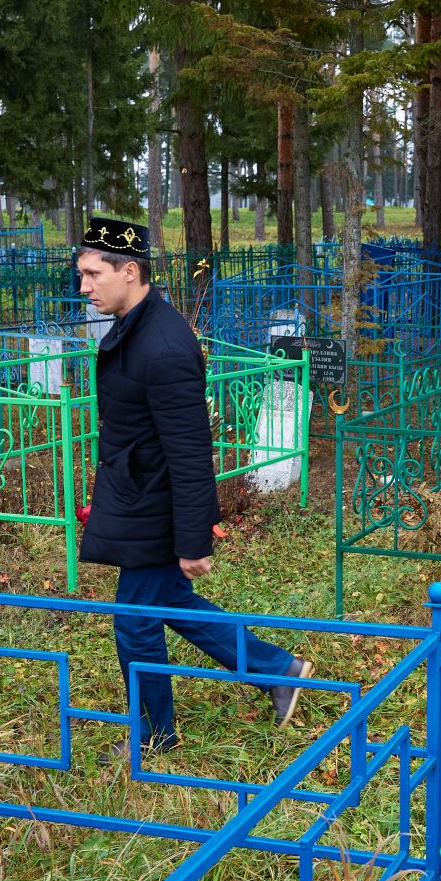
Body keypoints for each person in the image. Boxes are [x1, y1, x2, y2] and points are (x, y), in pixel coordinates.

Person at [75, 215, 314, 751]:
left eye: (92, 274)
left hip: (155, 504)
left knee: (135, 621)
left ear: (130, 271)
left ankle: (155, 736)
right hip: (139, 493)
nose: (84, 286)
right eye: (82, 274)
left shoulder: (162, 344)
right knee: (170, 603)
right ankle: (278, 670)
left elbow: (189, 450)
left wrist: (193, 539)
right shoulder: (136, 325)